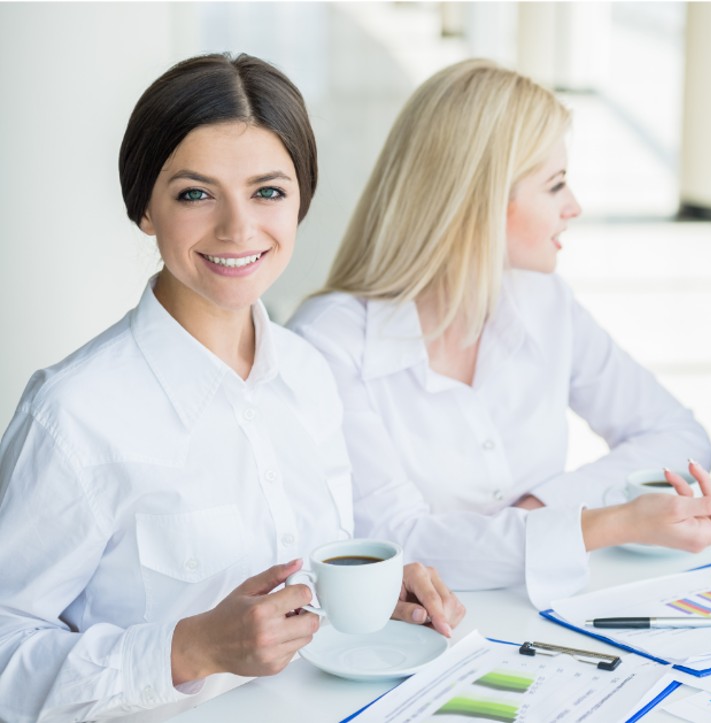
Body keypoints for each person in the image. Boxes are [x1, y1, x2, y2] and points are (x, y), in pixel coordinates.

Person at [0, 53, 464, 723]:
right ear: (145, 210)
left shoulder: (308, 373)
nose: (238, 228)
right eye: (195, 193)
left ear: (301, 199)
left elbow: (307, 581)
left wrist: (376, 592)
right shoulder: (74, 414)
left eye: (267, 191)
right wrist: (187, 649)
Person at [288, 59, 711, 609]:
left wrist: (541, 509)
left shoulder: (543, 302)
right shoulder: (328, 345)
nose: (574, 207)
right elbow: (399, 544)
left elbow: (676, 434)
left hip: (548, 610)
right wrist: (603, 523)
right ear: (480, 200)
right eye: (555, 184)